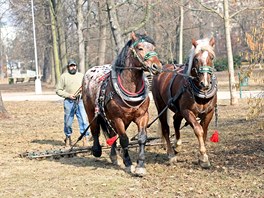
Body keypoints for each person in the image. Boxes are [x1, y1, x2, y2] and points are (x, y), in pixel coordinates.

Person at [56, 59, 89, 147]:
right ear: (68, 67)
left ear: (76, 66)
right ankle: (68, 137)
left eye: (74, 65)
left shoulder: (82, 76)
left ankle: (85, 138)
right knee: (68, 122)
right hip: (69, 102)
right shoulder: (64, 77)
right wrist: (68, 95)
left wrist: (83, 91)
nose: (73, 67)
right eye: (71, 66)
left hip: (80, 101)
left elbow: (87, 88)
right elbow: (58, 90)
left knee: (84, 121)